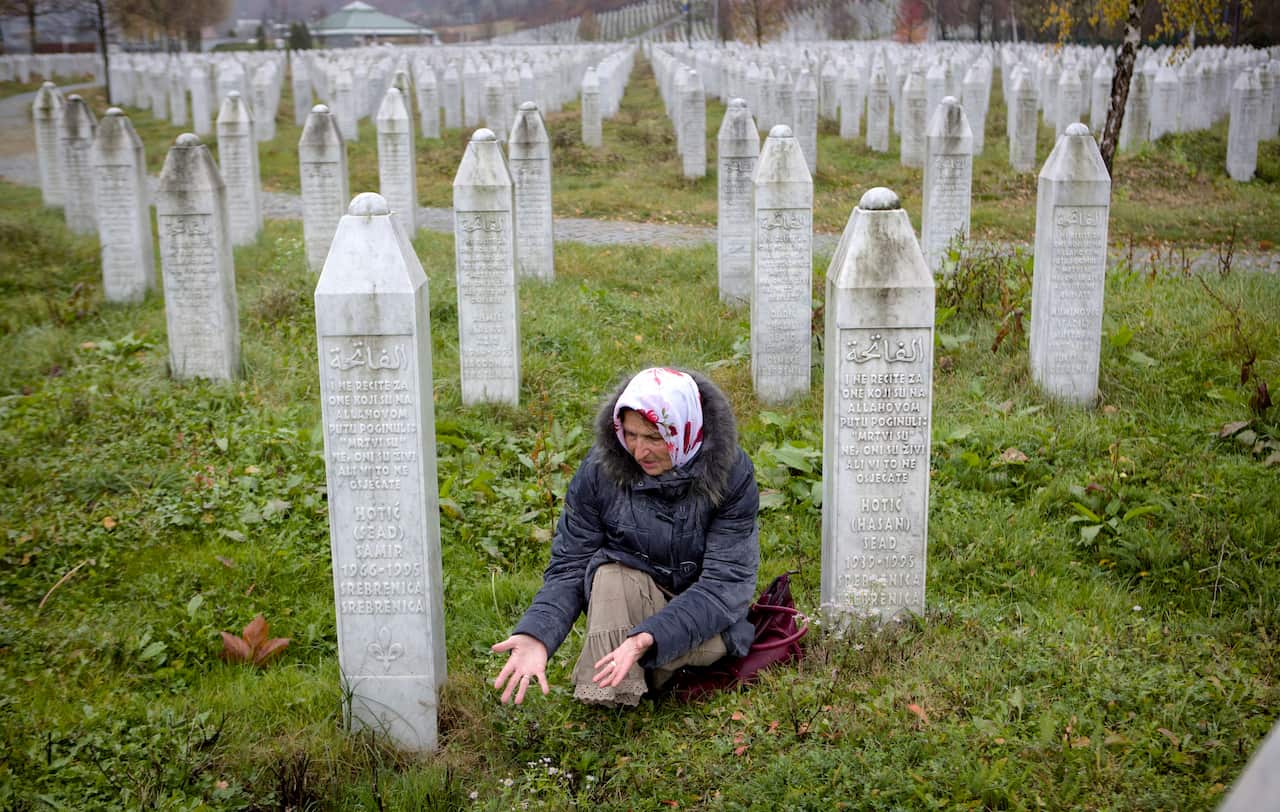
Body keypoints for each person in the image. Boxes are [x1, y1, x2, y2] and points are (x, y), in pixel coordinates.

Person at [492, 367, 760, 707]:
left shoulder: (731, 474)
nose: (639, 451)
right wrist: (537, 634)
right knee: (608, 574)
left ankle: (646, 666)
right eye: (631, 434)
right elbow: (571, 564)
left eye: (654, 438)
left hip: (700, 610)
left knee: (678, 646)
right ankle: (612, 693)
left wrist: (648, 637)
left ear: (685, 430)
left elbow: (725, 585)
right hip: (631, 596)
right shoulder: (599, 471)